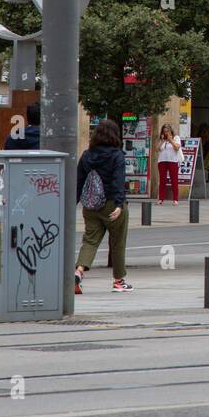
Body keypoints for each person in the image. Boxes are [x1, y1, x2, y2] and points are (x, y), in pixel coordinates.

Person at [75, 119, 131, 293]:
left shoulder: (86, 155)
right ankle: (118, 281)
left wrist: (74, 202)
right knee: (117, 242)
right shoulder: (117, 155)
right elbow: (118, 181)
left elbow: (79, 182)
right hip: (111, 204)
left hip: (90, 205)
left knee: (90, 240)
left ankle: (78, 272)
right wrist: (119, 204)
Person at [156, 124, 182, 207]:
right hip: (162, 161)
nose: (166, 132)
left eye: (167, 131)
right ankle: (161, 199)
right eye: (164, 131)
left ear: (170, 130)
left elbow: (177, 148)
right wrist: (163, 141)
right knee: (162, 180)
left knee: (174, 180)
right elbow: (157, 149)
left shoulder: (176, 137)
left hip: (173, 161)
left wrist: (170, 140)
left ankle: (175, 199)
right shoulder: (162, 138)